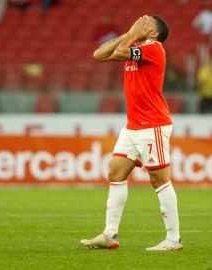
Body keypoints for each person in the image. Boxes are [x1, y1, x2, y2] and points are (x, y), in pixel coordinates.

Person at [80, 15, 182, 251]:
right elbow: (98, 55)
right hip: (133, 126)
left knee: (159, 180)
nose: (140, 21)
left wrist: (133, 34)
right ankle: (109, 234)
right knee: (116, 173)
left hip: (152, 124)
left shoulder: (155, 49)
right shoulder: (135, 44)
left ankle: (173, 238)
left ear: (154, 33)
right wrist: (131, 33)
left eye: (146, 22)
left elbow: (117, 54)